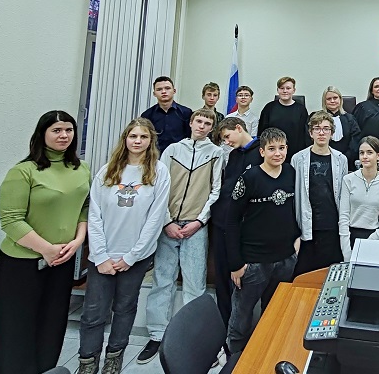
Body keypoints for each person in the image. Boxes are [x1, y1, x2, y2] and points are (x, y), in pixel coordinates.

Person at [0, 111, 91, 374]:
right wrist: (46, 249)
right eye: (56, 130)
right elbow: (11, 221)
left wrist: (78, 240)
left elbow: (84, 208)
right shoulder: (23, 171)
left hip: (63, 260)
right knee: (17, 330)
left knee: (52, 326)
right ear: (42, 134)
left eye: (68, 130)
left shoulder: (81, 169)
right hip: (23, 264)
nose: (64, 135)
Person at [77, 119, 170, 374]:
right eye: (133, 136)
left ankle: (113, 359)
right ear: (125, 139)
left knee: (124, 308)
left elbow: (156, 218)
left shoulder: (159, 172)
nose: (137, 141)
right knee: (93, 312)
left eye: (143, 136)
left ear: (151, 141)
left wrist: (132, 256)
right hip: (103, 256)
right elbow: (94, 214)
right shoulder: (107, 171)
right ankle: (87, 361)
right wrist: (100, 255)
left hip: (135, 257)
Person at [137, 108, 225, 364]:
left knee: (194, 285)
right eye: (199, 121)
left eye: (207, 123)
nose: (202, 126)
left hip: (196, 227)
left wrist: (199, 221)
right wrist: (166, 221)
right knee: (162, 280)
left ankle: (194, 339)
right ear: (191, 123)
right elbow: (160, 186)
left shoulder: (216, 154)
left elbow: (216, 190)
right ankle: (157, 335)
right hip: (169, 225)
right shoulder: (173, 150)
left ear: (212, 128)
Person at [225, 128, 301, 354]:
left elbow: (297, 210)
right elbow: (231, 222)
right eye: (272, 149)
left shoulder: (291, 173)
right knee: (242, 314)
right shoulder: (249, 178)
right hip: (254, 262)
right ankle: (234, 356)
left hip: (285, 259)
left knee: (274, 312)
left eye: (282, 148)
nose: (277, 153)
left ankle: (266, 352)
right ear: (262, 152)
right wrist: (236, 264)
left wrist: (297, 241)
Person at [209, 116, 262, 355]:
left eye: (227, 137)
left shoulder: (260, 152)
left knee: (241, 284)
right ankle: (222, 336)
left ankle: (239, 341)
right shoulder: (232, 156)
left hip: (243, 230)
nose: (227, 142)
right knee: (222, 282)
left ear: (238, 128)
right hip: (221, 224)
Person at [292, 111, 348, 276]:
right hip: (307, 225)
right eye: (317, 129)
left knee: (328, 273)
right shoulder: (298, 159)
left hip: (331, 225)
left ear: (332, 133)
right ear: (311, 133)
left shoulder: (341, 159)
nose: (321, 133)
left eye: (326, 129)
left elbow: (344, 195)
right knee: (305, 275)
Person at [338, 136, 379, 261]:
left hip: (374, 238)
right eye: (361, 153)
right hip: (350, 237)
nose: (365, 156)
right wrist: (346, 251)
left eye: (369, 152)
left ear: (378, 156)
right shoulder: (348, 180)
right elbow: (343, 218)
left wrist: (366, 244)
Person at [258, 76, 310, 159]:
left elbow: (305, 135)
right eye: (282, 88)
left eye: (288, 88)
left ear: (294, 90)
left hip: (295, 155)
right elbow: (261, 133)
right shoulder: (269, 108)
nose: (285, 91)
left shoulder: (301, 110)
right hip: (273, 154)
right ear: (277, 90)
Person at [140, 76, 192, 154]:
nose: (164, 91)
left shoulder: (186, 113)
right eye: (159, 89)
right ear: (154, 94)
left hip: (180, 155)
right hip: (155, 156)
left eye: (167, 88)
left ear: (174, 91)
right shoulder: (147, 115)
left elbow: (190, 137)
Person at [322, 86, 362, 170]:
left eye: (335, 98)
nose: (332, 101)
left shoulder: (350, 119)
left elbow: (356, 140)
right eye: (329, 99)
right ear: (324, 101)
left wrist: (345, 157)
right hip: (323, 160)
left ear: (340, 100)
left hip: (348, 162)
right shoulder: (318, 119)